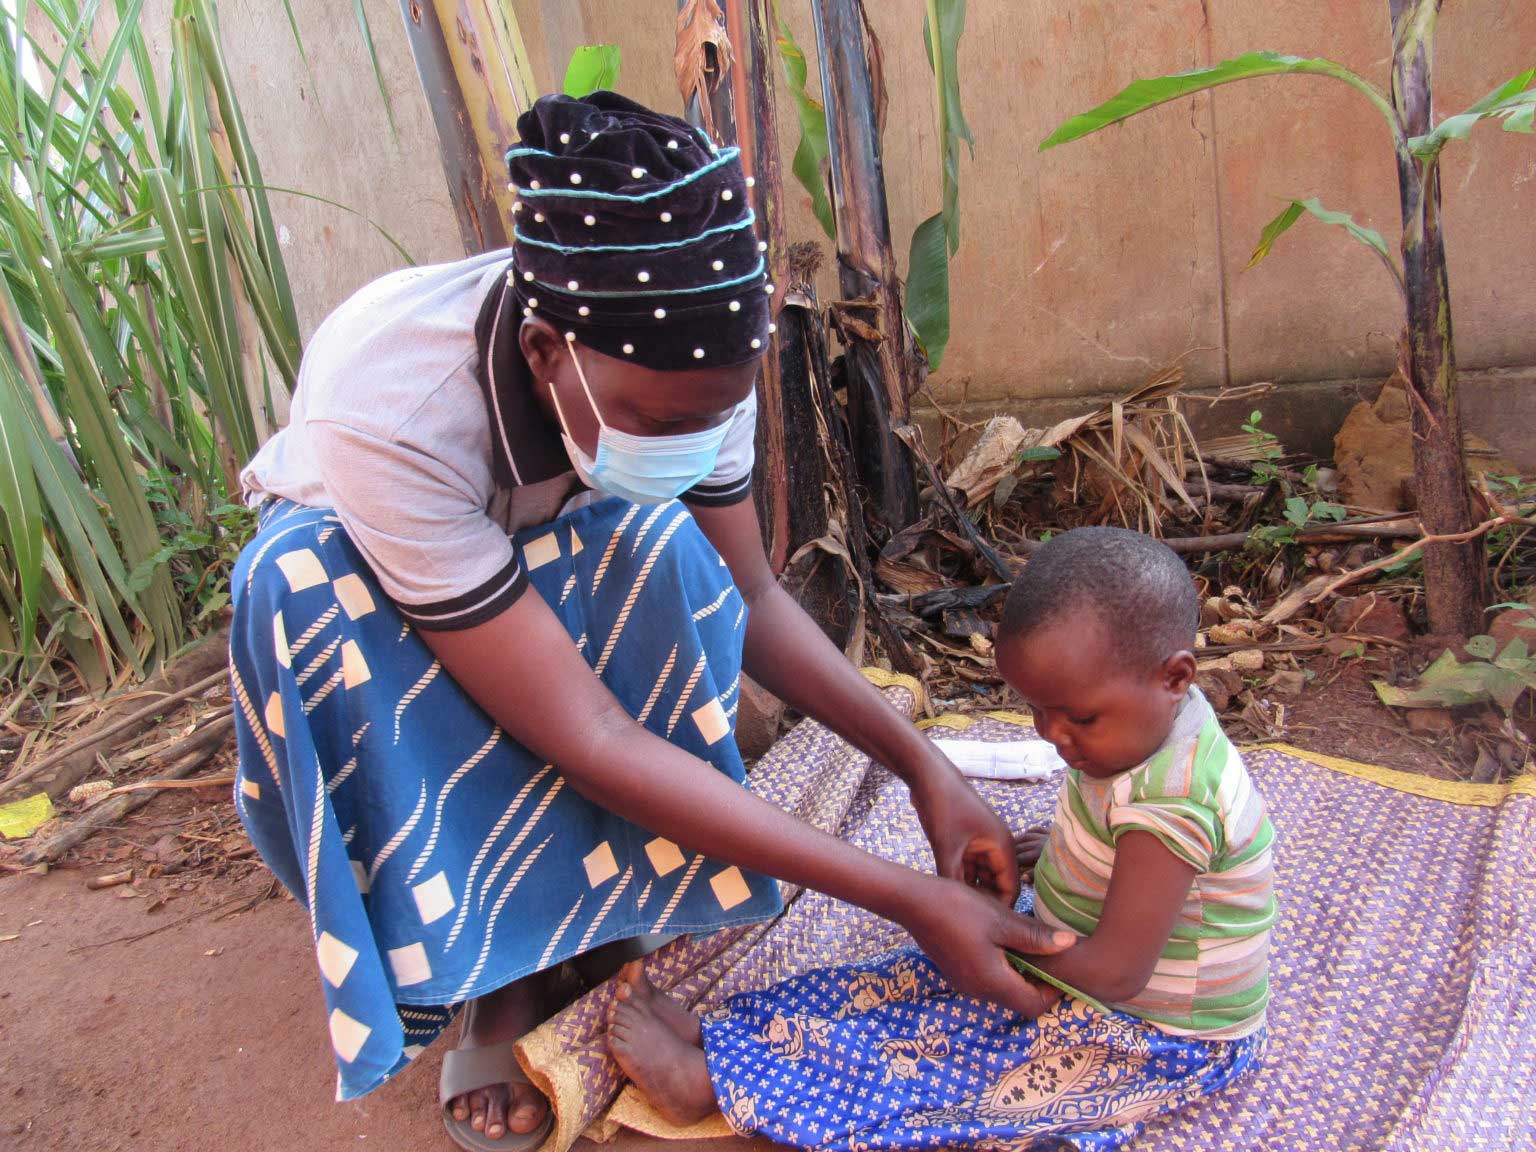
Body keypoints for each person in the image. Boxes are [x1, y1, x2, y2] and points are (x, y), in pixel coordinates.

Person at [228, 92, 1069, 1151]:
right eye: (665, 421)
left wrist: (926, 772)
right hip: (374, 600)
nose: (698, 436)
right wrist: (906, 898)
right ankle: (501, 969)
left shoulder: (689, 360)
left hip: (547, 554)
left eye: (716, 412)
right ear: (544, 354)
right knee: (305, 588)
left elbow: (752, 596)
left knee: (665, 552)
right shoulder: (393, 404)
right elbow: (587, 737)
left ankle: (596, 907)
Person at [606, 527, 1277, 1152]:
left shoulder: (1177, 799)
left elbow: (1118, 973)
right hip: (1083, 964)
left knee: (936, 1068)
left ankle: (717, 1086)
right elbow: (1118, 837)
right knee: (888, 985)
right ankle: (727, 1039)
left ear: (1176, 677)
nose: (1052, 735)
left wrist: (996, 947)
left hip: (1149, 1030)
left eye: (1076, 716)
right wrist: (1067, 852)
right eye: (1036, 710)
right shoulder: (1136, 729)